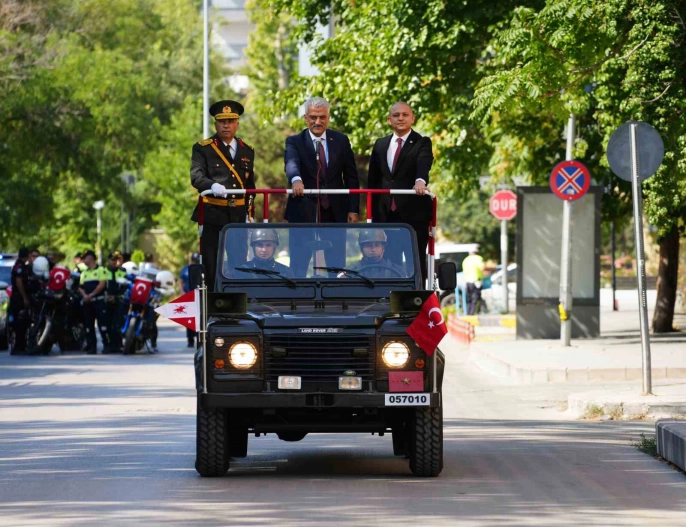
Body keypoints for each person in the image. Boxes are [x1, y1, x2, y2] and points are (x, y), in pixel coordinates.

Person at [284, 96, 360, 276]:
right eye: (313, 117)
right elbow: (291, 163)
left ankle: (335, 293)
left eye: (322, 117)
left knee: (336, 264)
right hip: (303, 211)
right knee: (299, 265)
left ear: (328, 118)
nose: (317, 122)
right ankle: (299, 294)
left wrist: (353, 209)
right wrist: (296, 179)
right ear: (305, 118)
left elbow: (351, 176)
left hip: (335, 211)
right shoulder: (294, 141)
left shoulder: (341, 140)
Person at [190, 99, 255, 291]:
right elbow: (196, 176)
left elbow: (250, 186)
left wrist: (249, 213)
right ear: (215, 124)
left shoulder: (247, 150)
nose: (226, 125)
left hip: (237, 216)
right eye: (222, 121)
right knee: (211, 264)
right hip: (213, 213)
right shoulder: (203, 148)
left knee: (239, 263)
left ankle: (237, 301)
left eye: (231, 121)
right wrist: (212, 185)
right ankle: (212, 302)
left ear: (237, 124)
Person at [367, 101, 433, 282]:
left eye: (405, 115)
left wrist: (420, 181)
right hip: (385, 215)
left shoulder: (422, 142)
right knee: (389, 262)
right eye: (396, 115)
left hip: (414, 215)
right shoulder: (380, 144)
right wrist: (370, 213)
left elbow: (424, 164)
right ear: (389, 120)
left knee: (416, 261)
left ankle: (417, 293)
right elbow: (373, 180)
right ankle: (390, 294)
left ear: (413, 118)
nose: (400, 118)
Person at [78, 250, 110, 354]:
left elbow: (102, 284)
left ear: (90, 258)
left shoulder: (101, 270)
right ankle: (92, 347)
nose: (84, 260)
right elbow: (80, 287)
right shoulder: (84, 273)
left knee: (103, 325)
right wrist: (85, 295)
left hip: (98, 302)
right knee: (89, 326)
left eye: (85, 258)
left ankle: (106, 345)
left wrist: (91, 295)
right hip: (88, 303)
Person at [8, 248, 31, 355]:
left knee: (23, 322)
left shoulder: (21, 266)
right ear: (26, 256)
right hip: (18, 299)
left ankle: (21, 345)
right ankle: (18, 347)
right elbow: (19, 282)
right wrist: (24, 297)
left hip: (19, 298)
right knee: (19, 323)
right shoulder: (20, 267)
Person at [103, 252, 127, 353]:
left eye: (116, 260)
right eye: (112, 260)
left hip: (118, 301)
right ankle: (108, 345)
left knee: (118, 324)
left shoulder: (122, 271)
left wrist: (116, 297)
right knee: (106, 324)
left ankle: (118, 345)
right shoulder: (103, 271)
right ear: (108, 260)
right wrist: (108, 296)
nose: (114, 262)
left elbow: (125, 287)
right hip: (106, 301)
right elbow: (101, 285)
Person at [179, 252, 200, 348]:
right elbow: (181, 281)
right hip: (188, 296)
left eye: (196, 261)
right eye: (193, 260)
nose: (194, 262)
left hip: (198, 296)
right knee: (189, 318)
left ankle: (198, 337)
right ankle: (190, 339)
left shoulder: (200, 269)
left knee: (198, 318)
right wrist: (182, 291)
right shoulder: (185, 269)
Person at [462, 248, 485, 315]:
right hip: (476, 281)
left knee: (469, 298)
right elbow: (482, 268)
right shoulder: (478, 258)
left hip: (467, 281)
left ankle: (468, 312)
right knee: (475, 298)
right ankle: (473, 312)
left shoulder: (465, 260)